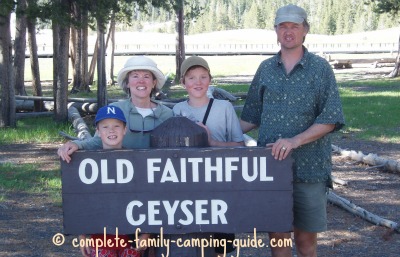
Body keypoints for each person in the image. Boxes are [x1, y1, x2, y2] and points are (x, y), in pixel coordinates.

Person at [240, 4, 345, 257]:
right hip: (271, 170)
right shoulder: (265, 68)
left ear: (305, 30)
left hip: (309, 169)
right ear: (275, 30)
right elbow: (251, 117)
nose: (288, 32)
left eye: (294, 26)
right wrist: (212, 133)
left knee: (305, 242)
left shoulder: (320, 69)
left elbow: (330, 118)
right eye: (283, 26)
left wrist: (295, 140)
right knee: (278, 241)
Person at [167, 56, 244, 257]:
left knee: (220, 240)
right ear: (183, 82)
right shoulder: (177, 110)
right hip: (188, 184)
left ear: (210, 79)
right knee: (193, 236)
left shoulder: (224, 107)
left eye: (203, 77)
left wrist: (213, 143)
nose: (198, 82)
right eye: (191, 78)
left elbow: (240, 145)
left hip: (220, 182)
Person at [58, 56, 173, 162]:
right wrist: (77, 144)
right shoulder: (114, 110)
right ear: (127, 83)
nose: (141, 81)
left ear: (154, 83)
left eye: (146, 76)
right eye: (135, 76)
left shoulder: (167, 114)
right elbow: (98, 141)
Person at [78, 105, 149, 257]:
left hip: (131, 238)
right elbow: (82, 200)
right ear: (98, 131)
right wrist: (82, 235)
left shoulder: (137, 160)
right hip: (101, 239)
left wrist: (146, 234)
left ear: (124, 130)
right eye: (105, 127)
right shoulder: (88, 164)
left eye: (117, 126)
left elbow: (146, 198)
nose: (111, 130)